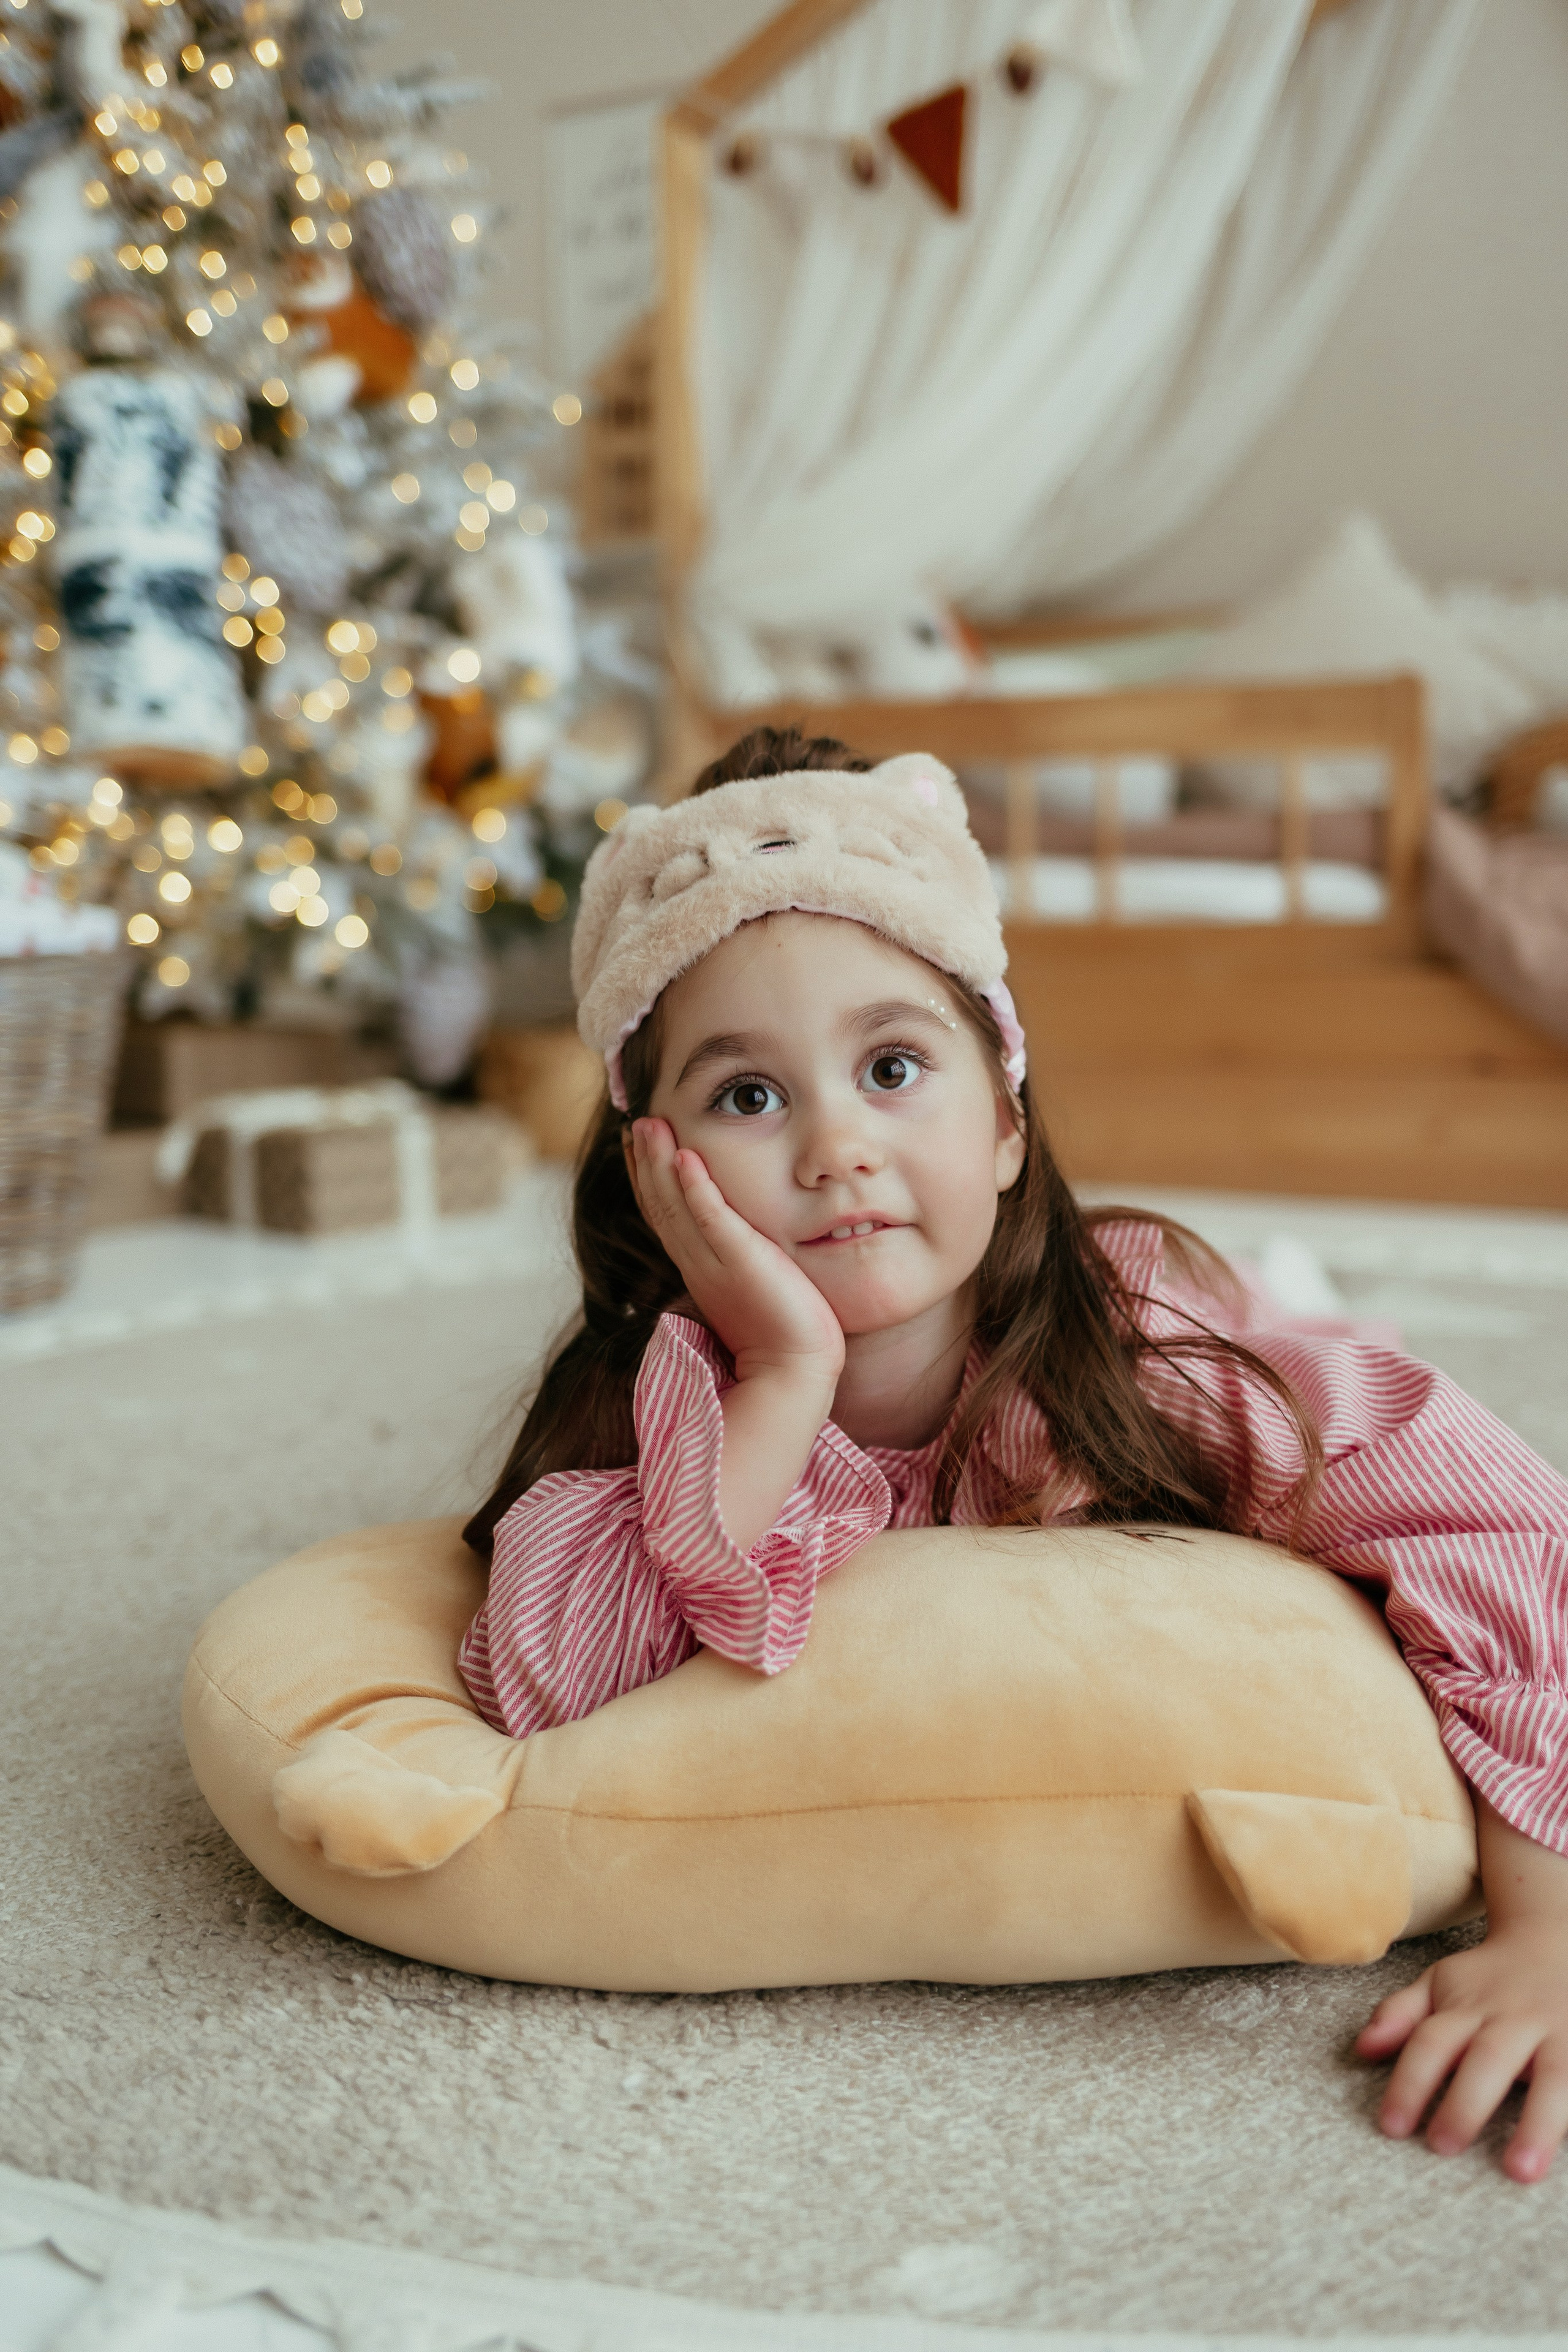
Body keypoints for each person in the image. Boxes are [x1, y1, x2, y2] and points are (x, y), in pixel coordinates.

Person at [461, 726, 1568, 2184]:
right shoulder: (674, 1393)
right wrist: (786, 1377)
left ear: (1002, 1120)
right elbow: (541, 1682)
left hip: (1178, 1310)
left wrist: (1546, 1925)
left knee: (1284, 1345)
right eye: (745, 1096)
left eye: (893, 1065)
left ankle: (1292, 1288)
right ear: (655, 1172)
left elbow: (1494, 1522)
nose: (833, 1146)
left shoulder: (1137, 1351)